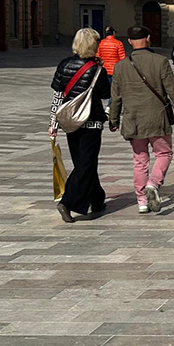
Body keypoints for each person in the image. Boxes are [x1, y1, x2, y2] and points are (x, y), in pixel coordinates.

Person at [109, 26, 174, 214]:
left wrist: (113, 120)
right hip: (157, 118)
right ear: (148, 38)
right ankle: (153, 183)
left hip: (133, 120)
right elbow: (173, 90)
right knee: (164, 153)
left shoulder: (120, 66)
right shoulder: (160, 61)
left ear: (129, 41)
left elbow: (116, 97)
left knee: (140, 160)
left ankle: (142, 201)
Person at [48, 28, 111, 223]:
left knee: (83, 162)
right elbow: (105, 94)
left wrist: (53, 123)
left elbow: (58, 96)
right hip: (91, 122)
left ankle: (97, 199)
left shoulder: (64, 64)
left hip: (70, 122)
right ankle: (67, 202)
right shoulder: (98, 70)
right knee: (86, 163)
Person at [95, 26, 125, 110]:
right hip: (115, 69)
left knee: (104, 88)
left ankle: (102, 106)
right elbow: (122, 58)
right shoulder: (118, 43)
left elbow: (98, 56)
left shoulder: (101, 43)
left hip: (104, 69)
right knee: (114, 90)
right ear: (113, 33)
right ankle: (109, 106)